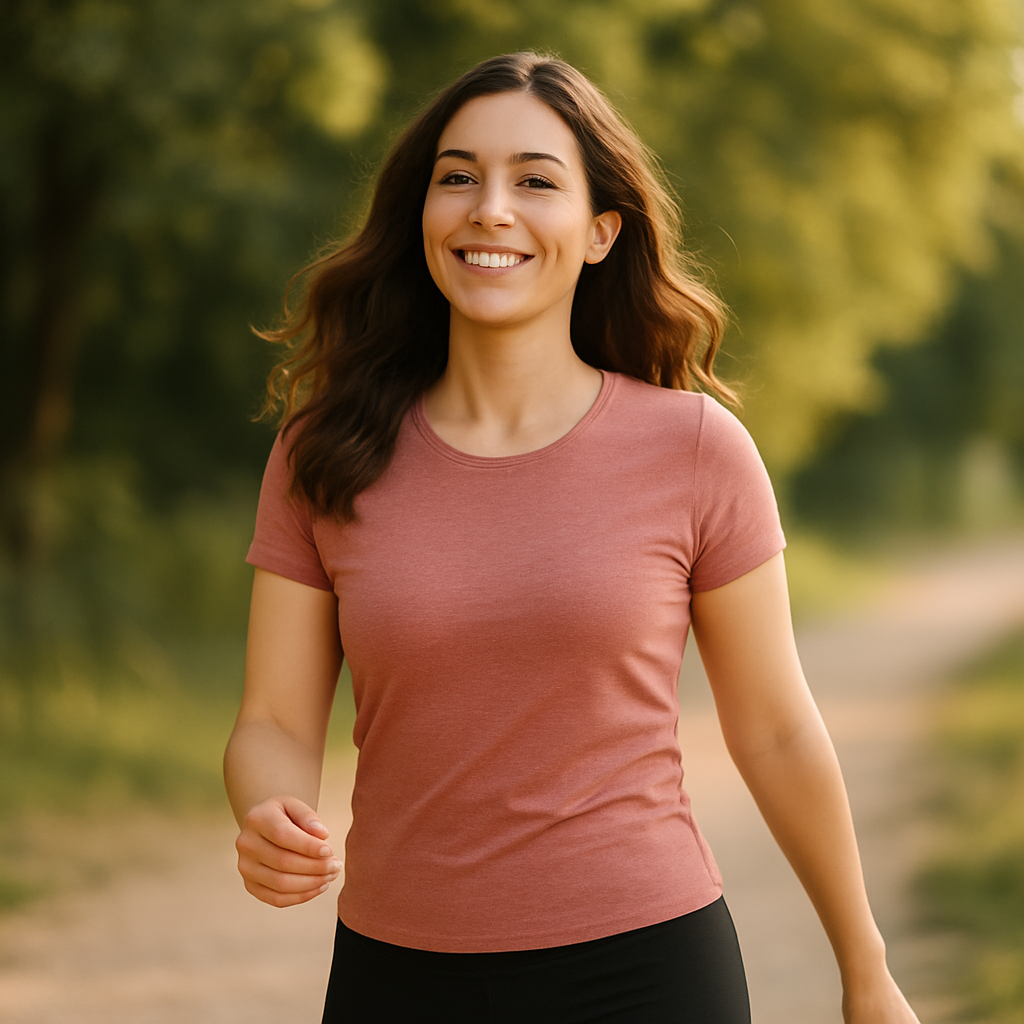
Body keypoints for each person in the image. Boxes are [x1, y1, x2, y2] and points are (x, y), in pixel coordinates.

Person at [224, 51, 921, 1024]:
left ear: (599, 232)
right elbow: (273, 722)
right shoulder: (326, 453)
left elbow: (774, 727)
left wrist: (865, 967)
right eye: (456, 176)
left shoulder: (694, 449)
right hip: (397, 973)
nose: (489, 208)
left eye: (534, 181)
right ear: (419, 214)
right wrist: (265, 808)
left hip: (645, 971)